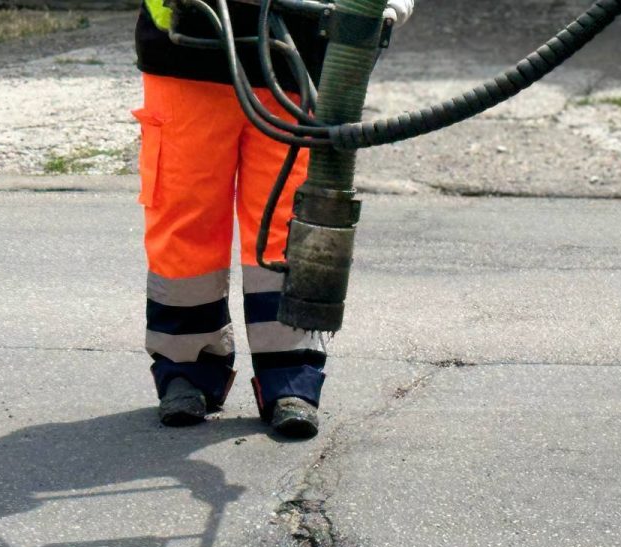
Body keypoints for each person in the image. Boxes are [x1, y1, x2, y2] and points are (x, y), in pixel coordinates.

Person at [133, 0, 413, 438]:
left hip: (298, 56)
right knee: (185, 219)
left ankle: (290, 376)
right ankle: (186, 369)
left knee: (286, 226)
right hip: (187, 51)